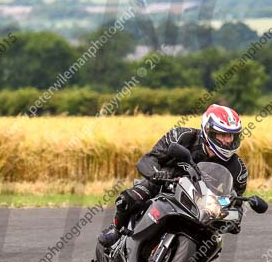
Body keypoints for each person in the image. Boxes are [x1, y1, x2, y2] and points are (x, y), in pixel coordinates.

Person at [98, 104, 248, 247]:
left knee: (214, 243)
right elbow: (149, 159)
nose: (228, 140)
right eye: (223, 134)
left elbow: (234, 201)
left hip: (200, 204)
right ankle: (116, 229)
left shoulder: (238, 169)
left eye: (232, 136)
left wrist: (233, 217)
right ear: (208, 130)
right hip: (164, 184)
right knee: (129, 199)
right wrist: (156, 174)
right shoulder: (182, 137)